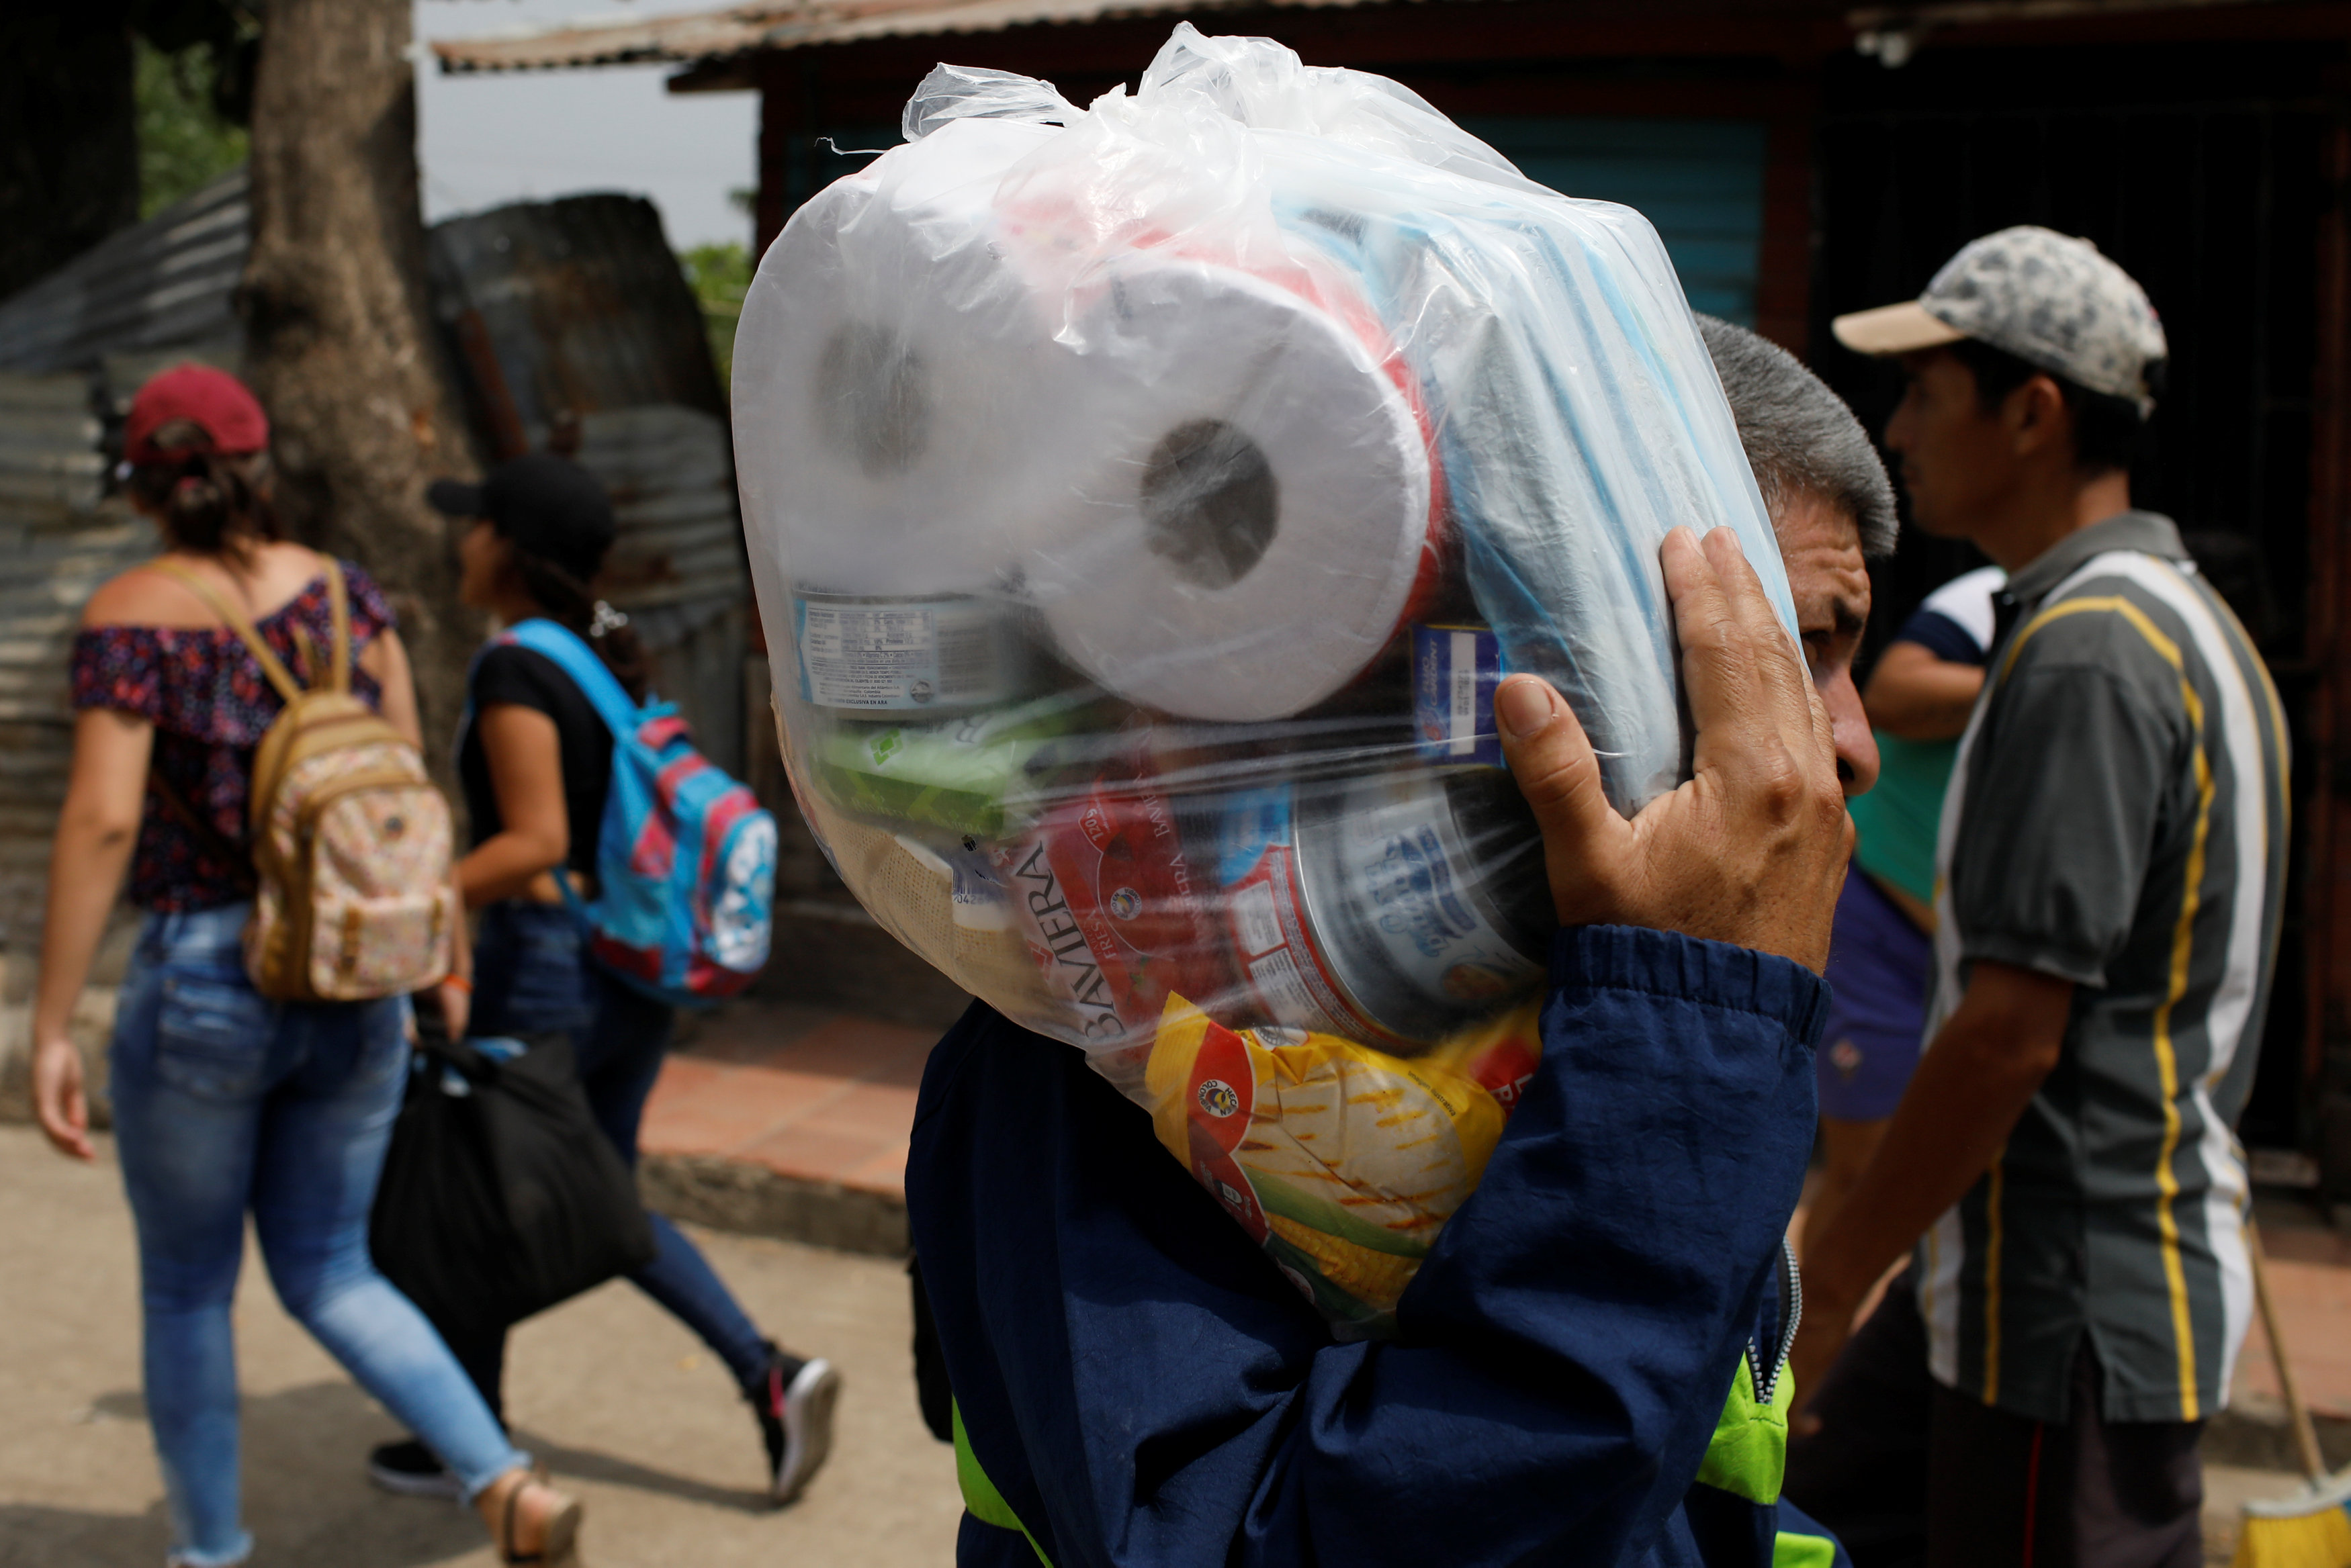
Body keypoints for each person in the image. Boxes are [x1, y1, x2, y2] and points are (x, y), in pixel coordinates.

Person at [904, 302, 1902, 1558]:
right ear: (1546, 644)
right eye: (1786, 649)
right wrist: (1695, 1023)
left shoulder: (1566, 1002)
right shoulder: (1148, 1024)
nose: (1850, 743)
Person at [1786, 228, 2291, 1567]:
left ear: (2032, 413)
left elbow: (2011, 1032)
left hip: (2064, 1301)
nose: (1895, 431)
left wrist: (1833, 1274)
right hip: (2010, 1276)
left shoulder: (2090, 651)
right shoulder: (2163, 617)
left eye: (1927, 395)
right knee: (1808, 1511)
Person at [28, 365, 580, 1567]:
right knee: (334, 1268)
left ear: (143, 485)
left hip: (203, 979)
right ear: (261, 466)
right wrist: (438, 949)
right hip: (355, 970)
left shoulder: (131, 614)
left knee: (186, 1291)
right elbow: (403, 788)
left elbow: (105, 820)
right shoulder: (345, 599)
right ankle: (505, 1486)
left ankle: (212, 1553)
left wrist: (52, 1024)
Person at [363, 453, 841, 1507]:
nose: (460, 540)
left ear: (512, 549)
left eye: (475, 522)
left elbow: (532, 838)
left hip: (549, 970)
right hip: (624, 971)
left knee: (490, 1182)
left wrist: (417, 895)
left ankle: (486, 1439)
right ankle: (753, 1379)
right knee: (588, 1188)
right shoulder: (599, 651)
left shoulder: (516, 666)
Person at [1810, 561, 2003, 1241]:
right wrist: (2035, 675)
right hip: (1882, 919)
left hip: (1995, 962)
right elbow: (1893, 690)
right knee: (1865, 1173)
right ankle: (1816, 1340)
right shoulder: (1990, 600)